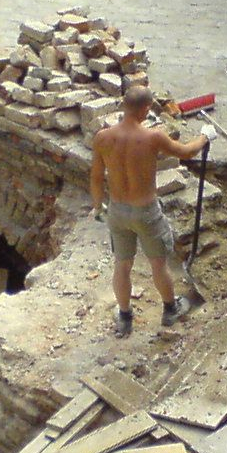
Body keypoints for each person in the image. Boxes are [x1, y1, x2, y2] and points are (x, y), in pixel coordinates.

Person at [90, 86, 212, 337]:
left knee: (122, 265)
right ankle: (170, 308)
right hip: (145, 211)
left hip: (117, 210)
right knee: (158, 264)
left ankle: (124, 317)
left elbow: (95, 178)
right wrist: (205, 137)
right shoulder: (152, 137)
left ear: (124, 106)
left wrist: (97, 206)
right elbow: (188, 151)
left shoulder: (102, 137)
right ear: (145, 109)